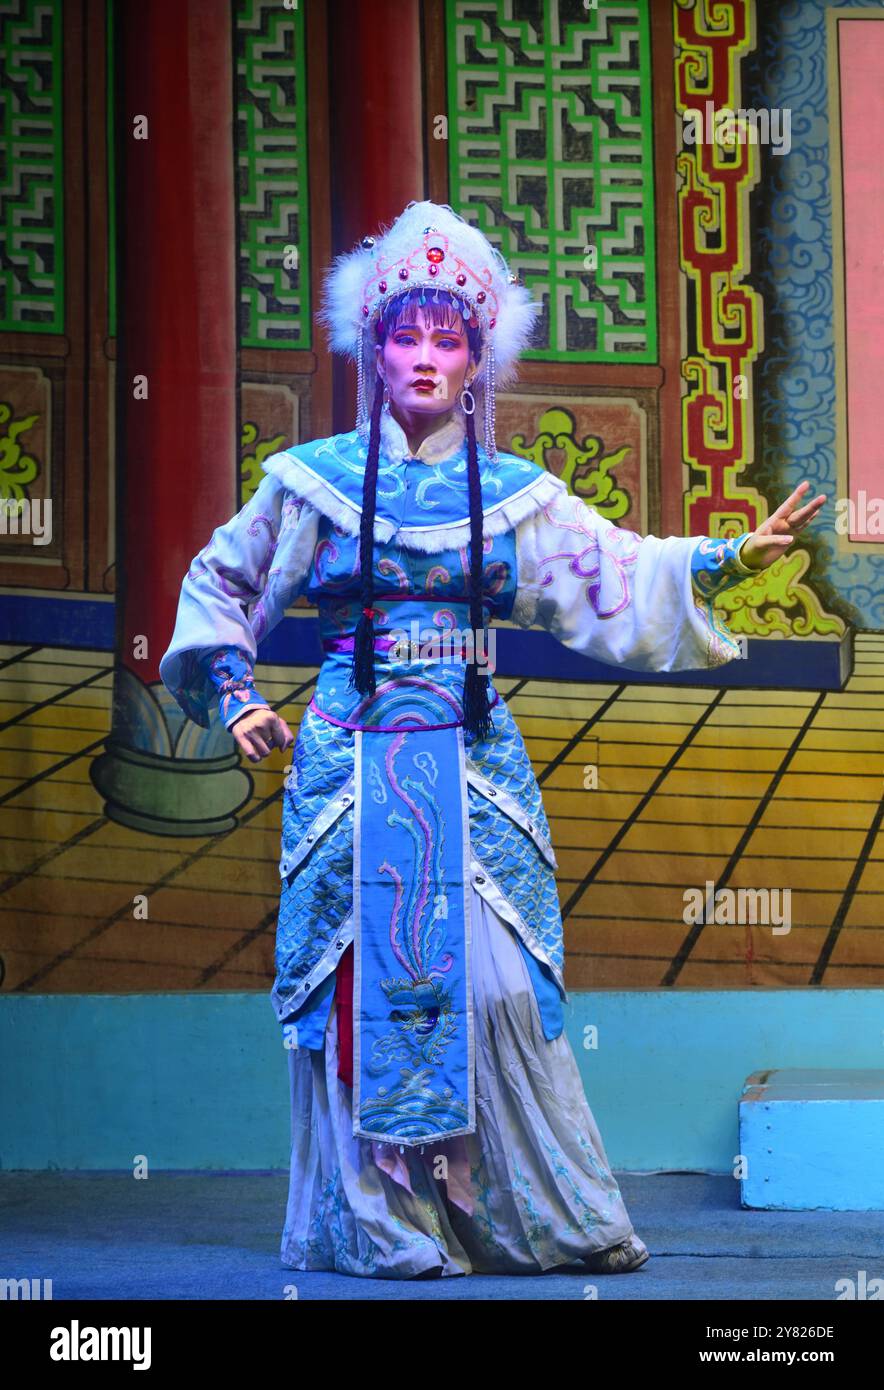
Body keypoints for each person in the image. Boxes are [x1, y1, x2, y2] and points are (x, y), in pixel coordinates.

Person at [159, 201, 825, 1280]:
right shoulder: (312, 482)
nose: (425, 358)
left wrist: (725, 559)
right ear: (373, 348)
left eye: (448, 338)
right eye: (406, 336)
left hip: (468, 759)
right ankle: (377, 1223)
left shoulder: (512, 498)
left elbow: (617, 572)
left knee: (503, 987)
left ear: (476, 359)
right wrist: (235, 694)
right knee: (357, 985)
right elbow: (219, 582)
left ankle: (532, 1218)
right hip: (350, 757)